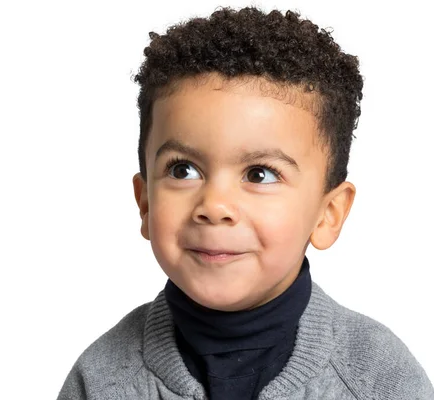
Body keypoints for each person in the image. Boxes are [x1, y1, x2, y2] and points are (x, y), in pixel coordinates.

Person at [57, 6, 434, 399]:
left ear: (328, 214)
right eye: (183, 170)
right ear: (146, 202)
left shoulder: (379, 378)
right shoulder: (102, 380)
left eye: (259, 174)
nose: (215, 205)